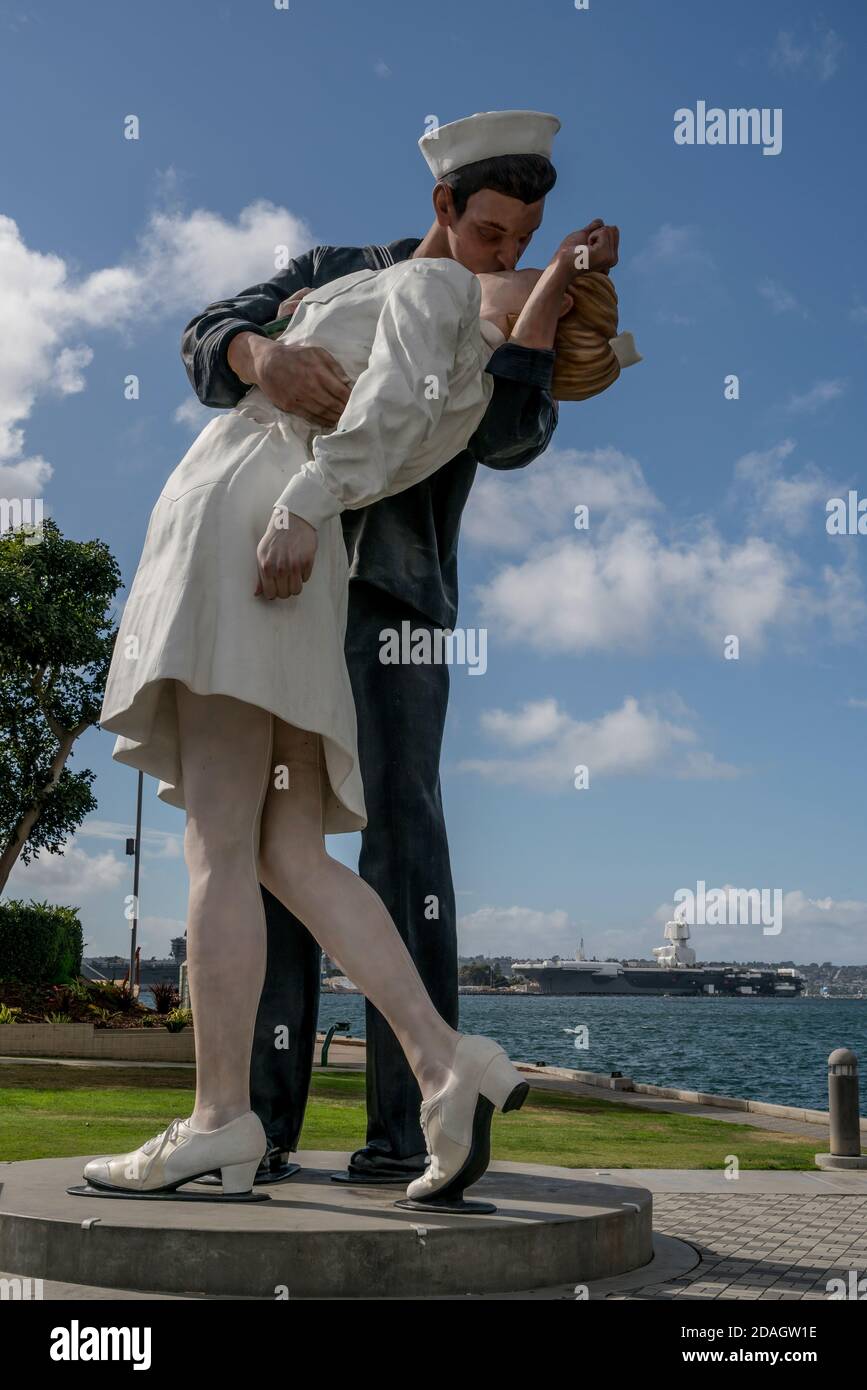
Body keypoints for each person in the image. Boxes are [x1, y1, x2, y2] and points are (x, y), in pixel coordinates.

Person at [87, 238, 636, 1204]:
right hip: (312, 571)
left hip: (253, 526)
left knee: (221, 844)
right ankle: (441, 1062)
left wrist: (301, 491)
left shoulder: (435, 293)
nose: (507, 259)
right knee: (286, 855)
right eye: (507, 244)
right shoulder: (451, 356)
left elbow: (397, 406)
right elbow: (224, 337)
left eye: (523, 264)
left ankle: (221, 1123)